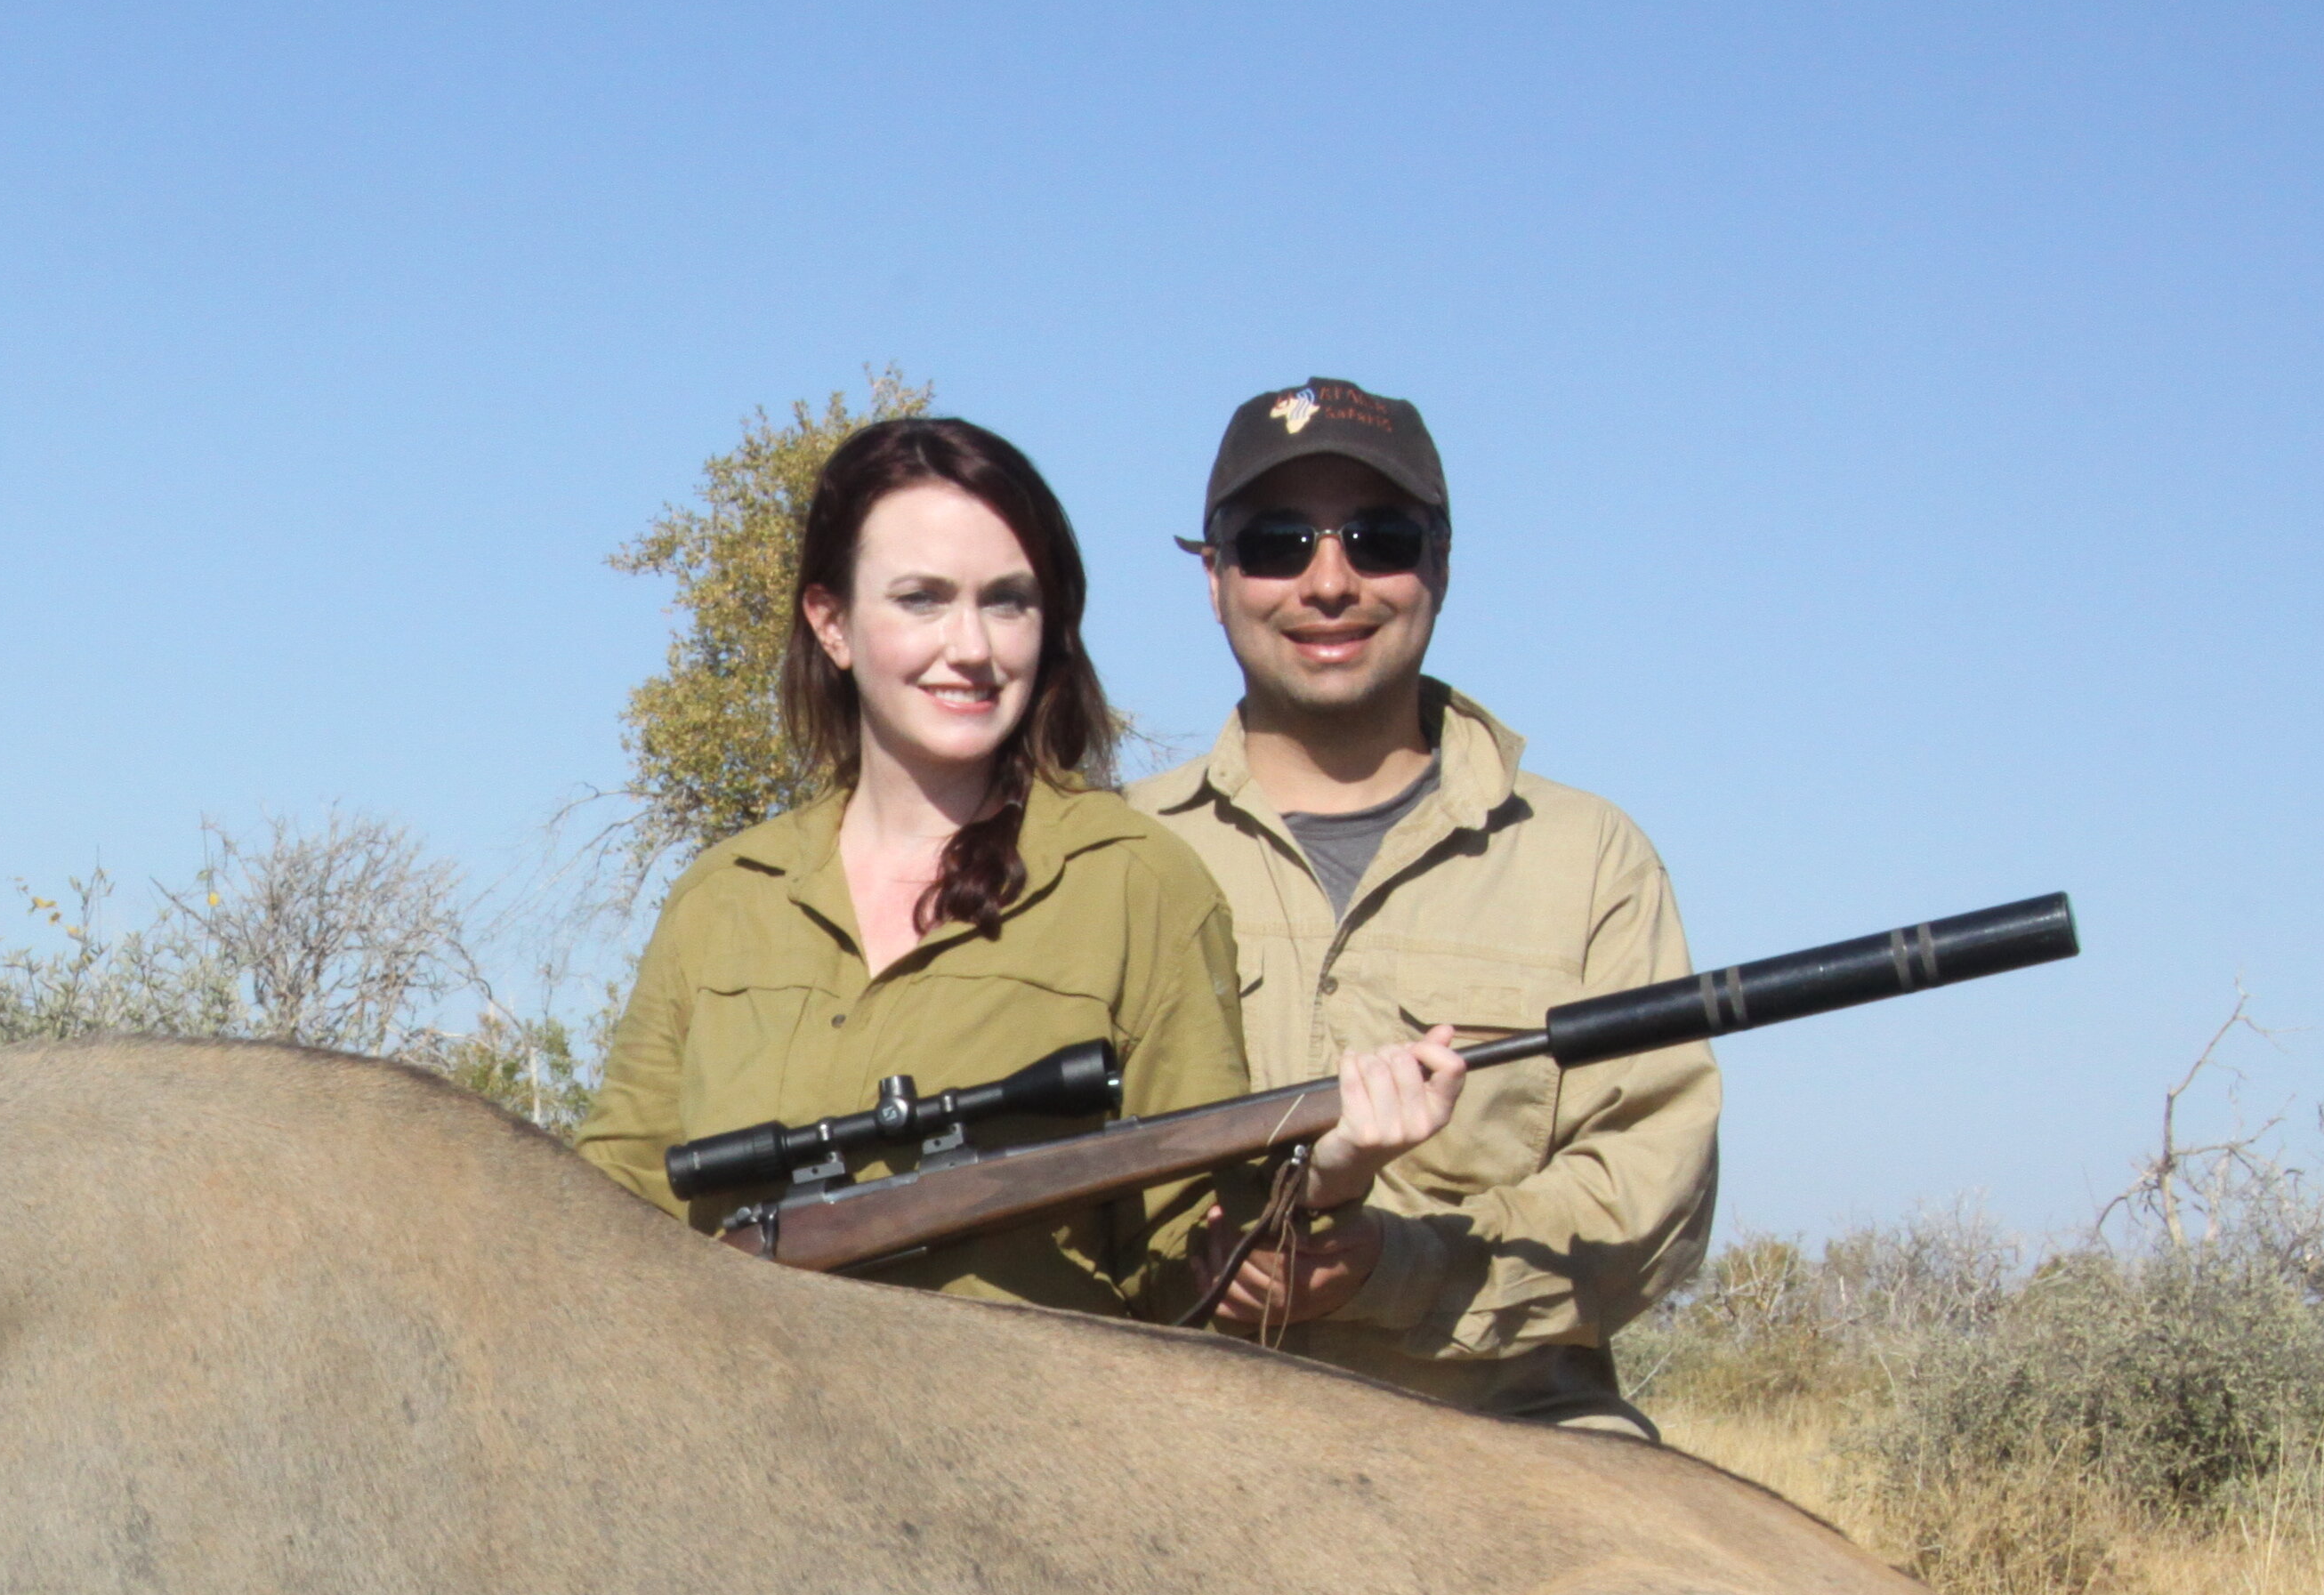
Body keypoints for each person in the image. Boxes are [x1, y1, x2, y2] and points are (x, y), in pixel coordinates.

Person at [577, 415, 1457, 1318]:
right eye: (920, 599)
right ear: (832, 624)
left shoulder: (1139, 884)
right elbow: (607, 1211)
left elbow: (1192, 1268)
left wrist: (1328, 1188)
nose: (970, 647)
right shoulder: (722, 899)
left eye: (1007, 601)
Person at [1129, 378, 1718, 1435]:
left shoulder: (1591, 861)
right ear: (1214, 579)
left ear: (1438, 567)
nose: (1329, 581)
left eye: (1378, 537)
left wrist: (1392, 1272)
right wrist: (1206, 1259)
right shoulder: (1115, 854)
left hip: (1509, 1445)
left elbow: (1649, 1197)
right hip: (1176, 1438)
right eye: (1277, 542)